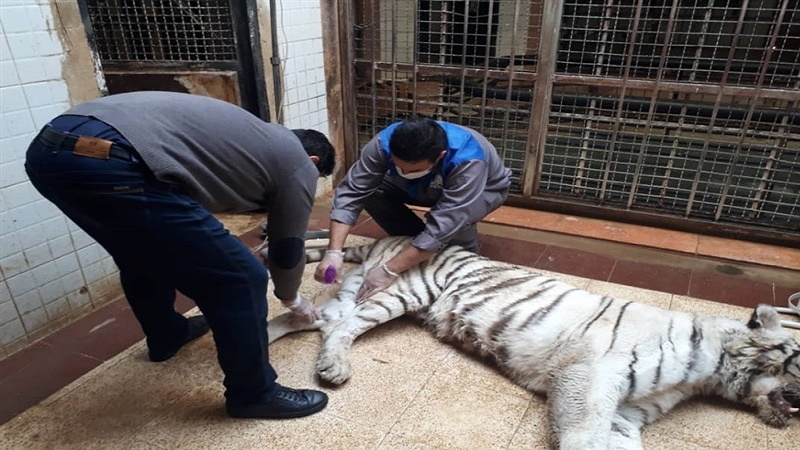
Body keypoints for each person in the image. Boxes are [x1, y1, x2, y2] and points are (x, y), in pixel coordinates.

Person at [24, 91, 335, 419]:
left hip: (50, 150)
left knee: (139, 251)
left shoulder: (253, 137)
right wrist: (291, 298)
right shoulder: (298, 165)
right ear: (314, 163)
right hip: (109, 159)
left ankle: (167, 334)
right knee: (242, 278)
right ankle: (254, 394)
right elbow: (287, 249)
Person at [315, 117, 511, 300]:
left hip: (482, 190)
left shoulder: (469, 159)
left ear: (441, 156)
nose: (406, 172)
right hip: (421, 186)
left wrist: (389, 270)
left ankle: (464, 255)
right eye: (400, 166)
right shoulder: (383, 144)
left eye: (414, 169)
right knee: (371, 191)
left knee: (454, 228)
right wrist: (334, 252)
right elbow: (352, 192)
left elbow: (450, 217)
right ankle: (415, 242)